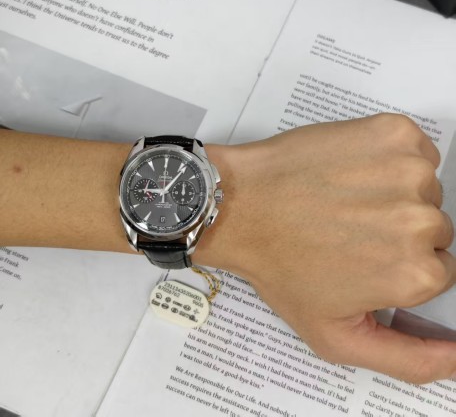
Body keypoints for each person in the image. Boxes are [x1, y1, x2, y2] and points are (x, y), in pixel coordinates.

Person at [1, 113, 455, 384]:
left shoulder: (196, 186)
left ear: (213, 193)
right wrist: (247, 213)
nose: (162, 195)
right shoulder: (172, 198)